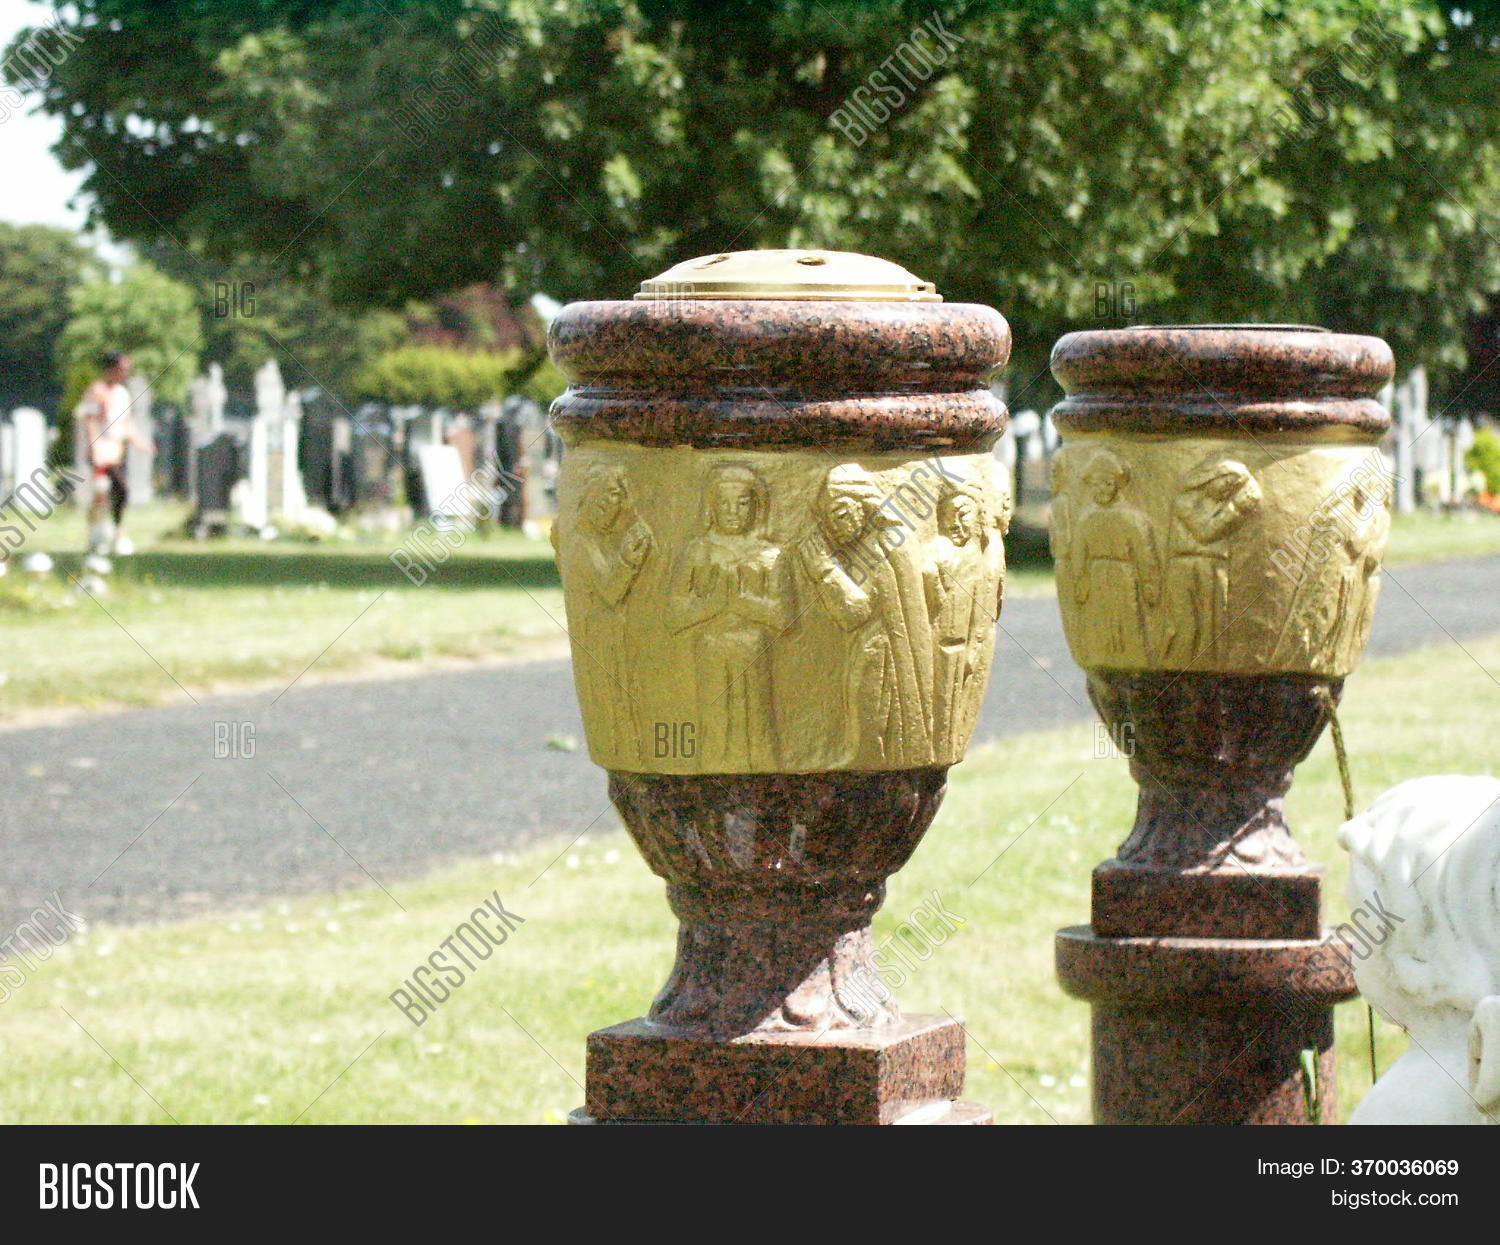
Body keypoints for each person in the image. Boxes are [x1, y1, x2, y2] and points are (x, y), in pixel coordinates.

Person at [76, 351, 152, 555]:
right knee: (105, 491)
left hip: (116, 451)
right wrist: (94, 447)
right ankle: (100, 533)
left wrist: (140, 441)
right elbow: (91, 420)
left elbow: (126, 423)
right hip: (101, 451)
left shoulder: (122, 393)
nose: (125, 373)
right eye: (122, 369)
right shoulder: (97, 391)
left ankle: (113, 532)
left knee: (117, 493)